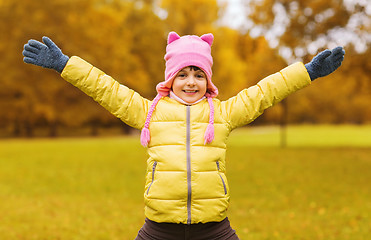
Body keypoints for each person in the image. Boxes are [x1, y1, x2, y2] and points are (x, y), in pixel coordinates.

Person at [22, 32, 345, 240]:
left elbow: (265, 92)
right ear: (170, 79)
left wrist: (307, 72)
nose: (191, 82)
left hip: (214, 229)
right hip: (159, 229)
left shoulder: (224, 113)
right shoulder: (148, 111)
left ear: (208, 80)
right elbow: (107, 89)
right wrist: (65, 65)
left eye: (198, 74)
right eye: (183, 74)